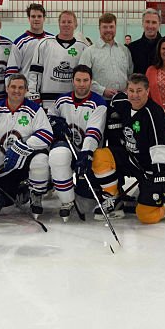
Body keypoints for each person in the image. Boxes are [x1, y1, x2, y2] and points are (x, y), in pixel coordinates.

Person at [92, 74, 165, 223]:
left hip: (156, 169)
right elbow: (118, 99)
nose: (135, 95)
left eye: (139, 91)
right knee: (101, 156)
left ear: (147, 91)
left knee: (146, 215)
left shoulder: (154, 115)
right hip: (134, 160)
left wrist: (159, 177)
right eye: (131, 91)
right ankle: (113, 199)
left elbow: (162, 150)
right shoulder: (125, 104)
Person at [0, 74, 53, 215]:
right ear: (7, 88)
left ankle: (36, 195)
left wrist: (21, 147)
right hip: (2, 170)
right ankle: (19, 193)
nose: (17, 91)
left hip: (24, 169)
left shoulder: (35, 110)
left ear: (26, 90)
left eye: (21, 87)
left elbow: (46, 134)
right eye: (13, 87)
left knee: (40, 160)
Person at [48, 65, 108, 220]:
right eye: (78, 80)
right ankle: (66, 200)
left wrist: (86, 153)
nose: (82, 84)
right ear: (73, 81)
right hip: (67, 149)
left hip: (89, 155)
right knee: (58, 155)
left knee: (85, 206)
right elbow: (50, 118)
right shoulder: (62, 100)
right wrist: (55, 124)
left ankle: (82, 190)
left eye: (85, 80)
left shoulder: (99, 103)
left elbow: (94, 131)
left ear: (91, 81)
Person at [29, 10, 88, 114]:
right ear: (59, 23)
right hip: (47, 101)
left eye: (69, 22)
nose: (66, 25)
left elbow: (86, 78)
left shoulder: (83, 47)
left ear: (75, 24)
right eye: (63, 22)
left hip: (72, 102)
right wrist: (34, 96)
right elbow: (35, 73)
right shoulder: (45, 43)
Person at [79, 12, 133, 99]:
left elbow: (130, 73)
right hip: (99, 100)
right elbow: (82, 77)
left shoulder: (124, 50)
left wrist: (128, 89)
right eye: (105, 27)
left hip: (123, 100)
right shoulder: (89, 52)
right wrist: (102, 90)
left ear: (115, 28)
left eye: (111, 27)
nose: (108, 30)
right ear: (99, 28)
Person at [6, 3, 52, 83]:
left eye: (39, 16)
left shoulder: (52, 40)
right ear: (28, 18)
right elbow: (12, 71)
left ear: (44, 18)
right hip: (27, 91)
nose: (36, 19)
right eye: (33, 16)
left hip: (47, 90)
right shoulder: (19, 43)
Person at [128, 8, 162, 74]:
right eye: (147, 22)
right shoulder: (132, 48)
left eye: (154, 22)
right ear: (142, 23)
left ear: (159, 24)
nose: (150, 26)